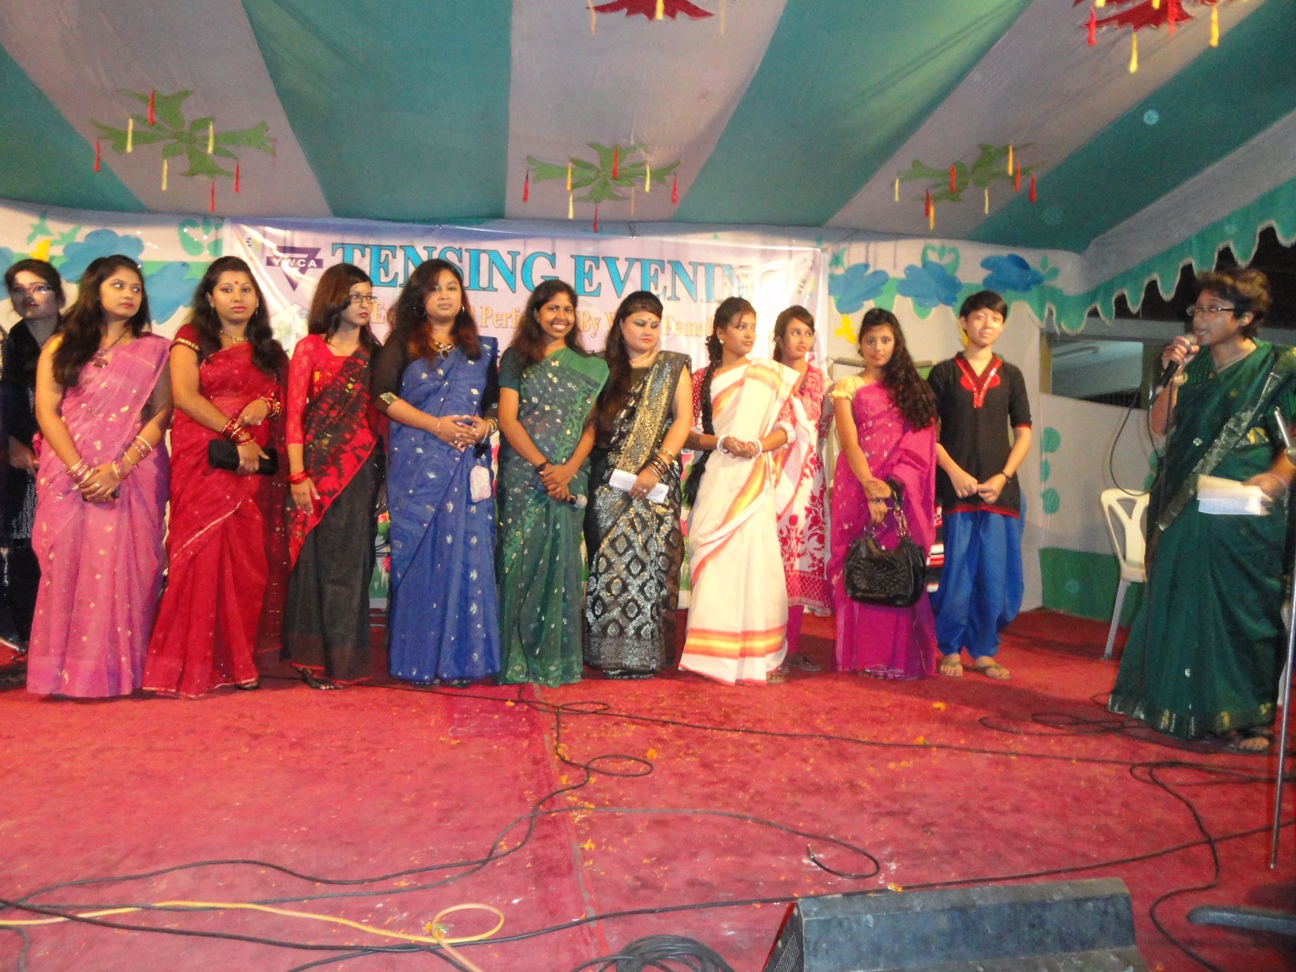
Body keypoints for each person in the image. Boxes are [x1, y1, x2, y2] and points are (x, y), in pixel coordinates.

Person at [1109, 269, 1295, 752]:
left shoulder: (1277, 367)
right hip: (1184, 504)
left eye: (1214, 310)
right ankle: (1173, 706)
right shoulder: (1190, 367)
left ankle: (1250, 718)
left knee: (1241, 609)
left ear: (1245, 318)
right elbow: (1159, 425)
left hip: (1244, 512)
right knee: (1177, 598)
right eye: (1198, 309)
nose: (1200, 318)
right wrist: (1172, 375)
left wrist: (1277, 478)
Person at [143, 257, 289, 698]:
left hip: (252, 469)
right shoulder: (191, 338)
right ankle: (190, 664)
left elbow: (283, 400)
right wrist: (237, 434)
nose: (237, 297)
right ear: (209, 297)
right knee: (200, 558)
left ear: (257, 298)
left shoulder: (269, 351)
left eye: (246, 289)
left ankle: (237, 660)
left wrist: (268, 406)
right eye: (227, 289)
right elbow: (185, 397)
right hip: (205, 462)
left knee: (248, 564)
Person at [25, 255, 171, 697]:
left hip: (131, 475)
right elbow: (47, 411)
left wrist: (119, 469)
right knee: (66, 570)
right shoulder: (62, 344)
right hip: (70, 475)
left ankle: (120, 674)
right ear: (95, 290)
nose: (129, 295)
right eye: (118, 285)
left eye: (136, 288)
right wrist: (81, 472)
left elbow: (161, 412)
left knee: (129, 572)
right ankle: (60, 675)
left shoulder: (154, 350)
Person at [372, 259, 500, 686]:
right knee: (422, 556)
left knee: (465, 555)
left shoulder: (479, 350)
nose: (445, 296)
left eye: (452, 287)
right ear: (419, 297)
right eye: (435, 288)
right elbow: (382, 395)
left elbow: (494, 404)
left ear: (462, 297)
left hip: (465, 468)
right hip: (417, 466)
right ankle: (418, 661)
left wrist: (486, 426)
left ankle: (462, 661)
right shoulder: (403, 342)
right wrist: (435, 426)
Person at [679, 297, 797, 685]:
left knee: (756, 566)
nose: (748, 334)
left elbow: (787, 430)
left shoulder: (766, 375)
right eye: (740, 326)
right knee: (713, 563)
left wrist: (756, 446)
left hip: (753, 481)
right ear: (720, 332)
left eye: (752, 327)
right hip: (716, 479)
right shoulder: (700, 379)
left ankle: (757, 659)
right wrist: (721, 442)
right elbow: (685, 432)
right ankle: (711, 657)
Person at [496, 280, 607, 686]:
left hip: (567, 477)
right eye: (552, 308)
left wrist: (566, 471)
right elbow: (507, 419)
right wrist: (546, 468)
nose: (561, 316)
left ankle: (554, 660)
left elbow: (591, 427)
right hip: (524, 476)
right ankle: (515, 660)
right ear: (536, 313)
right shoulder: (516, 358)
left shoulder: (590, 367)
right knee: (518, 563)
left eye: (568, 309)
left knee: (561, 566)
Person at [283, 263, 383, 689]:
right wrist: (297, 475)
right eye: (355, 296)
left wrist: (385, 480)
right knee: (313, 563)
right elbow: (293, 416)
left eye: (368, 297)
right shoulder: (310, 349)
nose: (364, 305)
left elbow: (382, 421)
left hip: (360, 471)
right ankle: (311, 660)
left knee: (352, 563)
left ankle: (343, 661)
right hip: (314, 472)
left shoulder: (376, 355)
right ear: (334, 298)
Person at [583, 291, 691, 678]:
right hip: (609, 483)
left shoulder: (672, 367)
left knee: (654, 568)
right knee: (610, 570)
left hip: (657, 483)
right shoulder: (599, 367)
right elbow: (589, 423)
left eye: (654, 324)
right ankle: (608, 654)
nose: (648, 330)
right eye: (639, 323)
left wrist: (656, 467)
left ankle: (648, 655)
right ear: (621, 326)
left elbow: (683, 420)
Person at [926, 290, 1031, 680]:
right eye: (980, 316)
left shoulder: (1012, 375)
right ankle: (950, 648)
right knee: (953, 575)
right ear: (964, 322)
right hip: (953, 491)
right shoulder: (943, 373)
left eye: (996, 318)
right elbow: (926, 432)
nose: (988, 324)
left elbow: (1023, 434)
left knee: (993, 576)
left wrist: (1003, 477)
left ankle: (985, 650)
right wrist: (953, 472)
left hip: (998, 493)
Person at [828, 309, 938, 678]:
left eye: (885, 340)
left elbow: (920, 444)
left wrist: (891, 488)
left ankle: (895, 659)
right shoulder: (847, 386)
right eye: (871, 340)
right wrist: (871, 489)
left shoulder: (912, 391)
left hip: (900, 493)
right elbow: (849, 442)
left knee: (896, 566)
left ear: (896, 343)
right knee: (860, 565)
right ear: (860, 345)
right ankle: (861, 657)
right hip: (857, 487)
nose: (878, 347)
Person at [2, 259, 64, 653]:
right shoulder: (10, 344)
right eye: (18, 290)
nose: (28, 296)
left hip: (75, 460)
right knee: (26, 545)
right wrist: (10, 441)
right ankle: (29, 640)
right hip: (25, 464)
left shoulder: (82, 340)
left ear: (60, 295)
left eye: (39, 287)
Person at [770, 306, 831, 672]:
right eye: (795, 332)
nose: (803, 339)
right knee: (770, 568)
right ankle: (766, 649)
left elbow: (823, 432)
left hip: (808, 485)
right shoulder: (767, 377)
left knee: (799, 564)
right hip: (771, 482)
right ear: (779, 338)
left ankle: (791, 648)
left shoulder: (822, 382)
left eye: (808, 333)